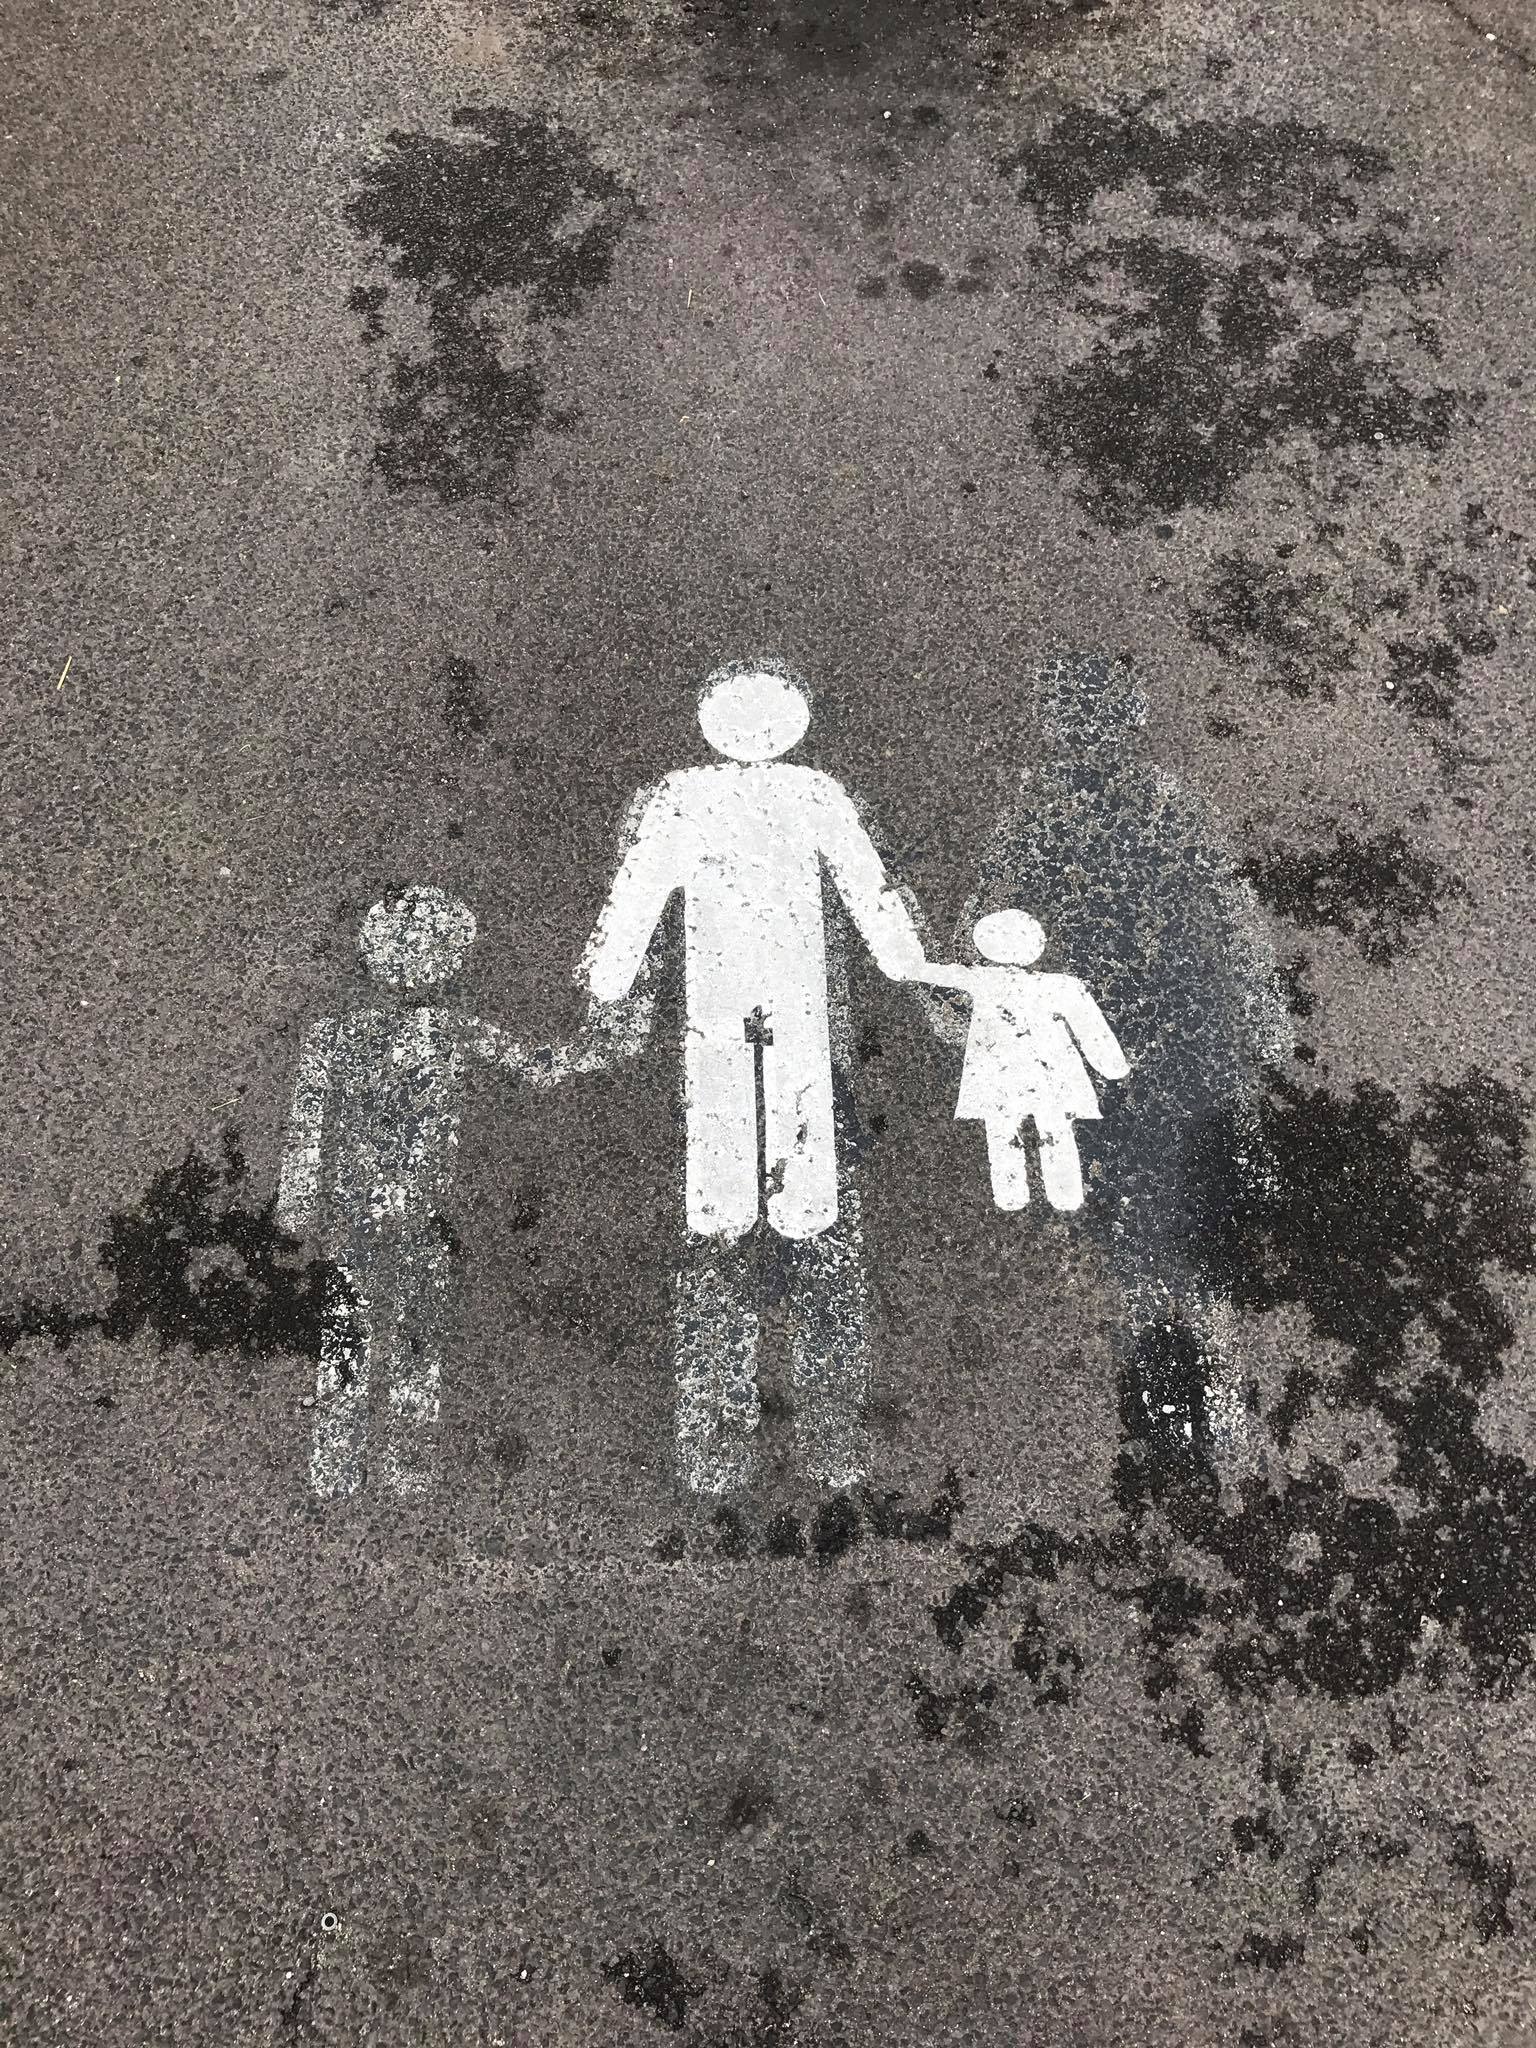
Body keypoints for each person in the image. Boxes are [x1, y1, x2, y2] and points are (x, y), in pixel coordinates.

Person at [277, 885, 633, 1499]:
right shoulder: (433, 1030)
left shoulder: (342, 1033)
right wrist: (604, 1041)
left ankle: (347, 1463)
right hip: (412, 1212)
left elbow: (308, 1122)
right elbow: (539, 1064)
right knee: (402, 1333)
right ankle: (391, 1466)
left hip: (378, 1212)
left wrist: (298, 1195)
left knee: (363, 1331)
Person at [581, 661, 927, 1242]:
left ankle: (754, 1198)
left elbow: (642, 882)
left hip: (756, 952)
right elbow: (863, 877)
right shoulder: (778, 790)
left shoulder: (706, 791)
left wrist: (613, 965)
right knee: (755, 1061)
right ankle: (762, 1198)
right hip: (749, 950)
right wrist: (899, 951)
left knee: (756, 1061)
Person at [922, 909, 1129, 1212]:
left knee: (1003, 1131)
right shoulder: (1063, 984)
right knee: (1056, 1130)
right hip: (1053, 1072)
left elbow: (936, 973)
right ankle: (1065, 1194)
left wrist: (909, 963)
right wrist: (1112, 1066)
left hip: (999, 1073)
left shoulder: (983, 979)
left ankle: (1011, 1195)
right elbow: (1091, 1029)